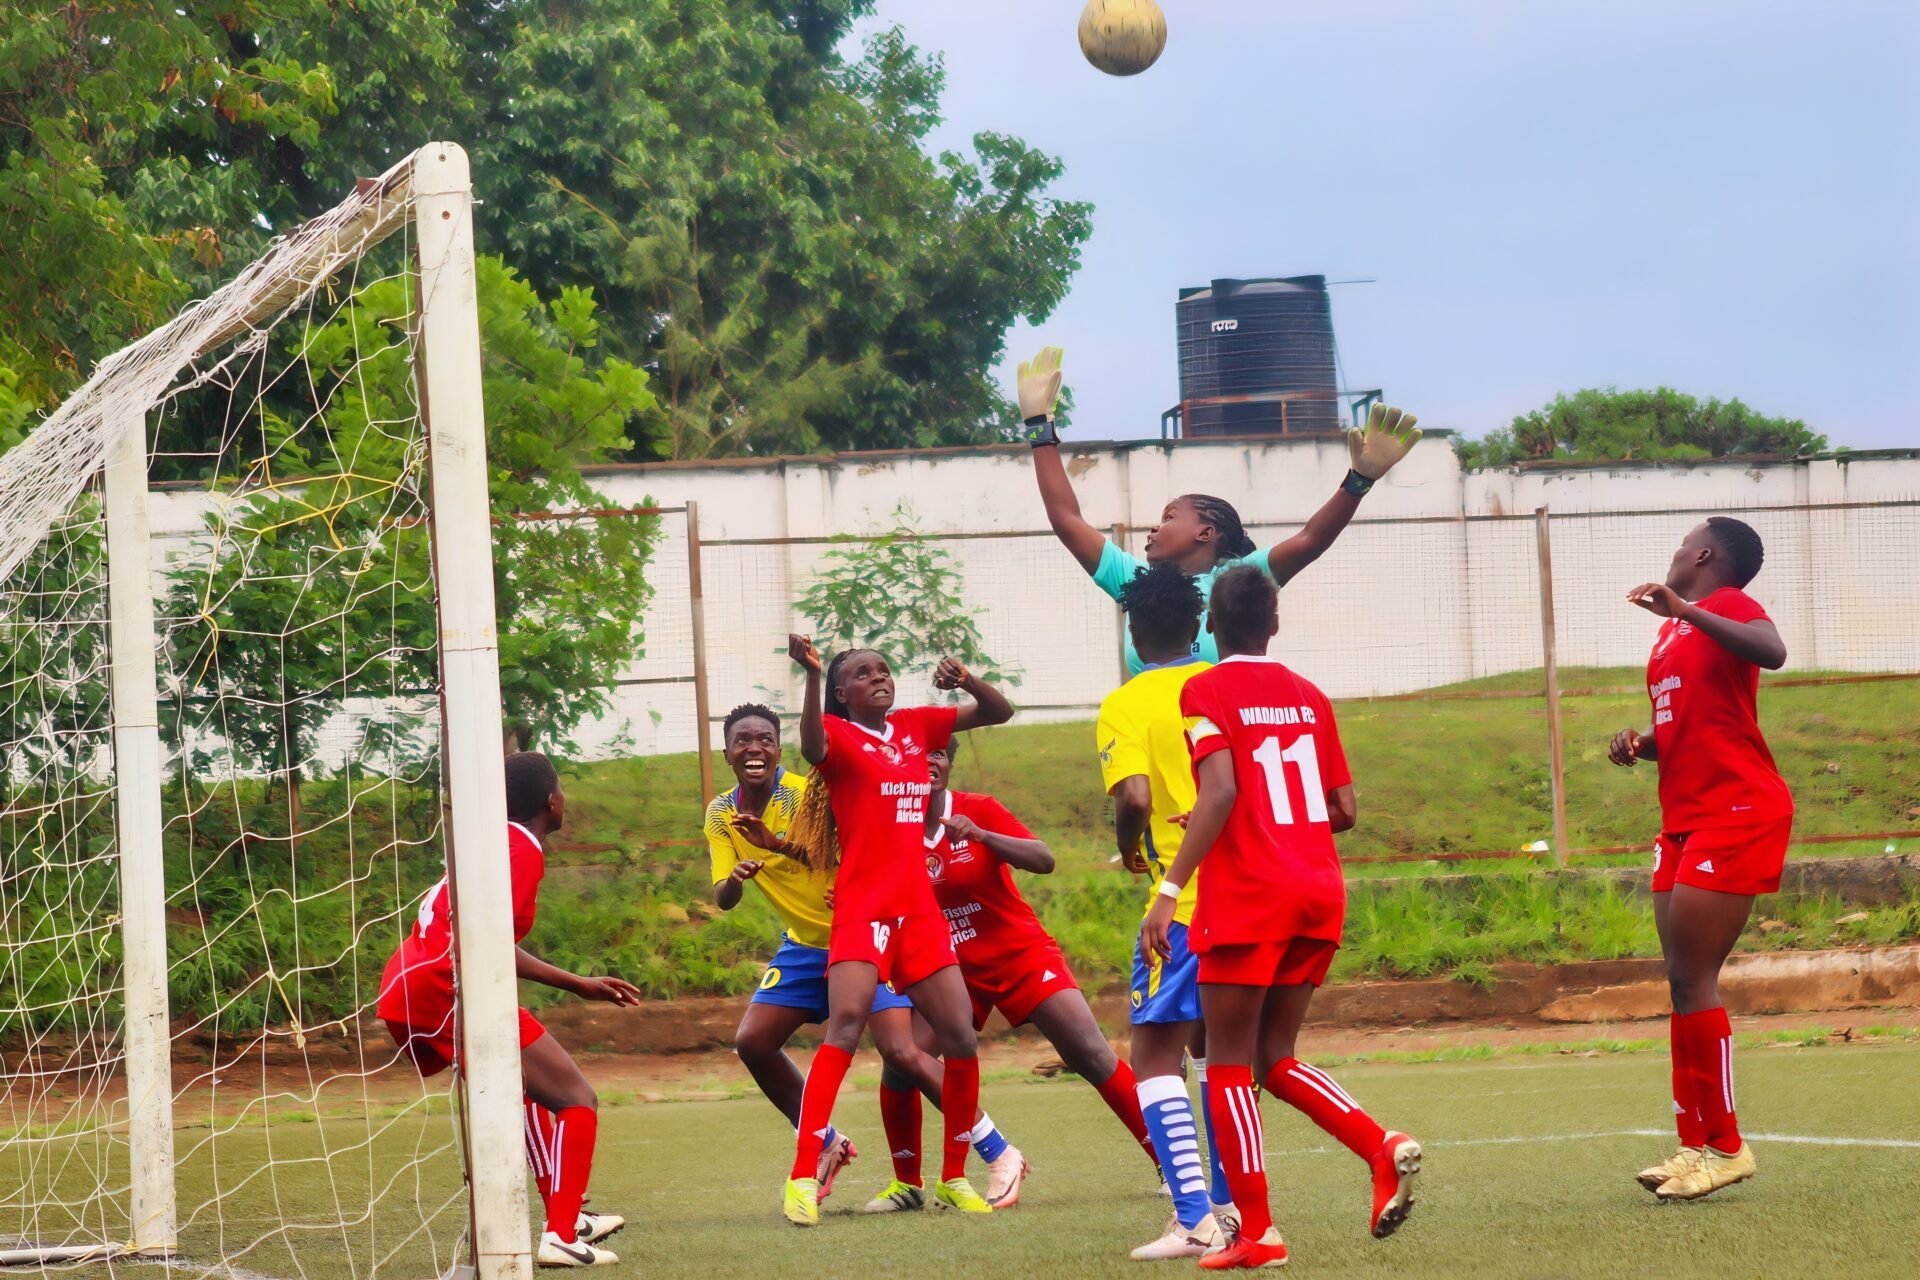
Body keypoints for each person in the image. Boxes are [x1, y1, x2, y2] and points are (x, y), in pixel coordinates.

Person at [1144, 567, 1420, 1270]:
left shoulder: (1201, 689)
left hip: (1249, 898)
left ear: (1212, 626)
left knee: (1228, 1065)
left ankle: (1259, 1233)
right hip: (1318, 892)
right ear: (1275, 624)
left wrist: (1170, 889)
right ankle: (1379, 1147)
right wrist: (1242, 812)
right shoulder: (1309, 696)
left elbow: (1223, 789)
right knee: (1277, 1058)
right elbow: (1344, 810)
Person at [707, 703, 1023, 1206]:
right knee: (753, 1042)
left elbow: (855, 842)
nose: (754, 748)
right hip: (806, 945)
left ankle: (996, 1148)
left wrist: (792, 853)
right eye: (743, 740)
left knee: (902, 1052)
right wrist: (737, 882)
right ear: (725, 752)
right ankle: (826, 1143)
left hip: (864, 929)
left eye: (765, 739)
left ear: (779, 747)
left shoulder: (809, 788)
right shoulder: (721, 812)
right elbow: (722, 891)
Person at [778, 639, 1015, 1227]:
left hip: (918, 912)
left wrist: (965, 679)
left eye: (883, 669)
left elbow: (999, 711)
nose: (879, 678)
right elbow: (810, 745)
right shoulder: (836, 736)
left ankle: (955, 1175)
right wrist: (810, 675)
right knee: (846, 1025)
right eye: (862, 674)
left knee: (960, 1037)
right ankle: (802, 1176)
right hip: (864, 907)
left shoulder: (915, 726)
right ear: (842, 694)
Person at [377, 751, 642, 1268]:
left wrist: (576, 984)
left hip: (410, 984)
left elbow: (475, 935)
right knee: (576, 1096)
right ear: (552, 801)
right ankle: (561, 1236)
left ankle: (566, 1215)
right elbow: (483, 942)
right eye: (562, 787)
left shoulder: (488, 844)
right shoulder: (521, 848)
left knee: (523, 1090)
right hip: (444, 989)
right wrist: (579, 984)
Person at [1014, 345, 1423, 674]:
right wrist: (1038, 427)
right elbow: (1066, 519)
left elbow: (1311, 539)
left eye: (1169, 517)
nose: (1152, 531)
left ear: (1205, 533)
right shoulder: (1136, 581)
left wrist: (1359, 480)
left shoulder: (1238, 581)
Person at [1607, 517, 1791, 1201]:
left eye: (1685, 542)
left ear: (1704, 555)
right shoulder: (1671, 632)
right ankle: (1695, 1145)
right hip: (1685, 819)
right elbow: (1690, 722)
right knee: (1682, 981)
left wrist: (1686, 608)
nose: (1676, 549)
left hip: (1737, 811)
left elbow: (1773, 652)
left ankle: (1727, 1147)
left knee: (1696, 979)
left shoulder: (1725, 607)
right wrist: (1640, 743)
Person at [893, 743, 1160, 1211]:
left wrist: (982, 836)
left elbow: (1044, 858)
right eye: (918, 754)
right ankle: (918, 1180)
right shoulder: (893, 826)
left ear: (949, 763)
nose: (929, 762)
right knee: (904, 1057)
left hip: (1017, 952)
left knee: (1090, 1054)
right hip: (949, 967)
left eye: (939, 753)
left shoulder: (977, 809)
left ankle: (1169, 1163)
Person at [1096, 561, 1237, 1260]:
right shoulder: (1220, 686)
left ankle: (1192, 1220)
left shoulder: (1125, 703)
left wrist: (1130, 852)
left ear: (1133, 632)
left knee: (1154, 1057)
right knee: (1220, 1057)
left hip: (1182, 905)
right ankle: (1231, 1207)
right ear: (1198, 626)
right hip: (1248, 898)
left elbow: (1137, 800)